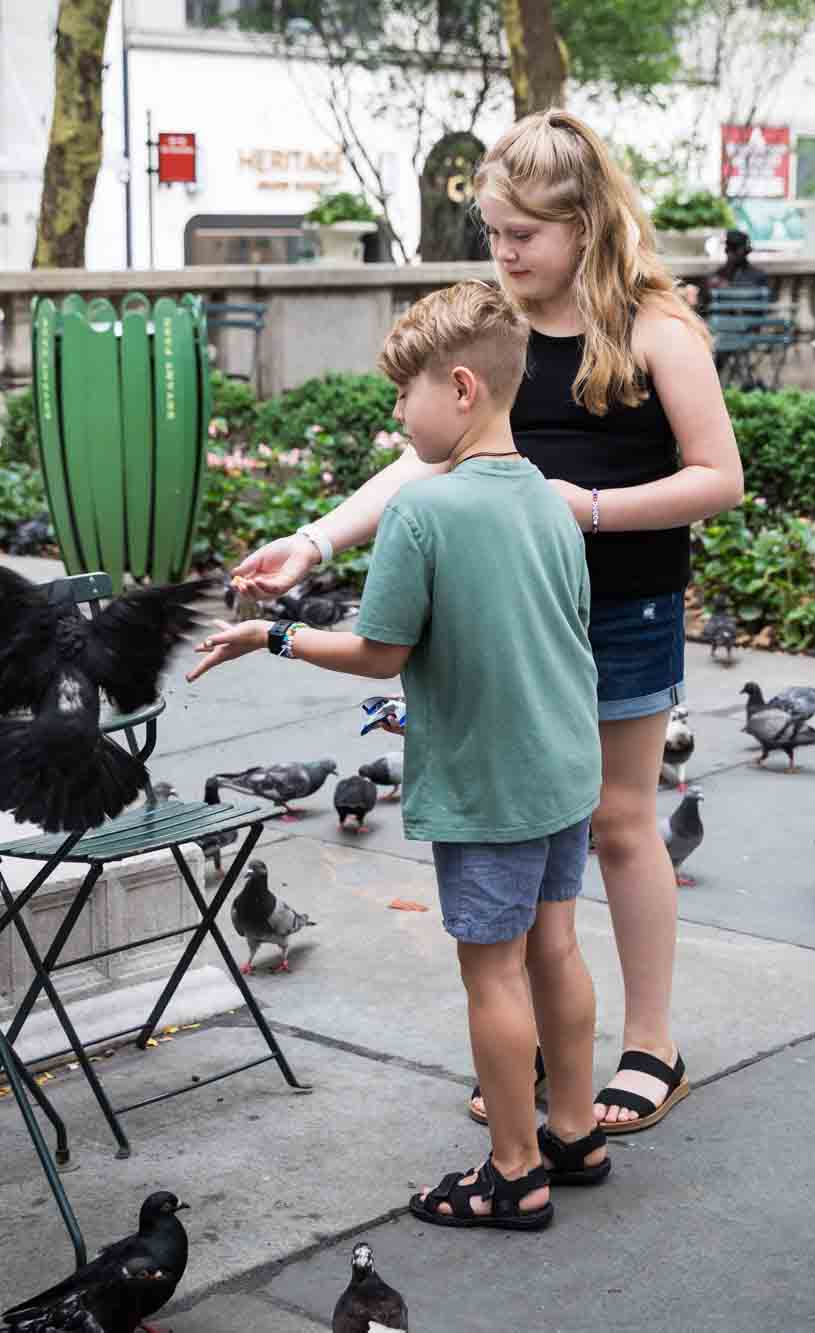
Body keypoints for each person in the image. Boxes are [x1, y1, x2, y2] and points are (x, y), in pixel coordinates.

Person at [232, 110, 743, 1134]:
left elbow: (717, 478)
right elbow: (426, 450)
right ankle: (550, 1057)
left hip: (620, 608)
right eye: (494, 233)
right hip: (509, 616)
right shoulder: (497, 325)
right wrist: (314, 543)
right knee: (528, 833)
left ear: (585, 225)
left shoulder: (656, 328)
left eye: (522, 235)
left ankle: (650, 1045)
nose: (503, 254)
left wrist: (586, 506)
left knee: (617, 823)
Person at [189, 280, 607, 1229]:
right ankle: (575, 1131)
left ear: (461, 387)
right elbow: (570, 635)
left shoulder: (425, 514)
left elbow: (380, 653)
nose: (395, 413)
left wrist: (274, 637)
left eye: (404, 393)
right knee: (558, 947)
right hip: (562, 770)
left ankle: (514, 1171)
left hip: (487, 783)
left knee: (493, 973)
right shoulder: (551, 503)